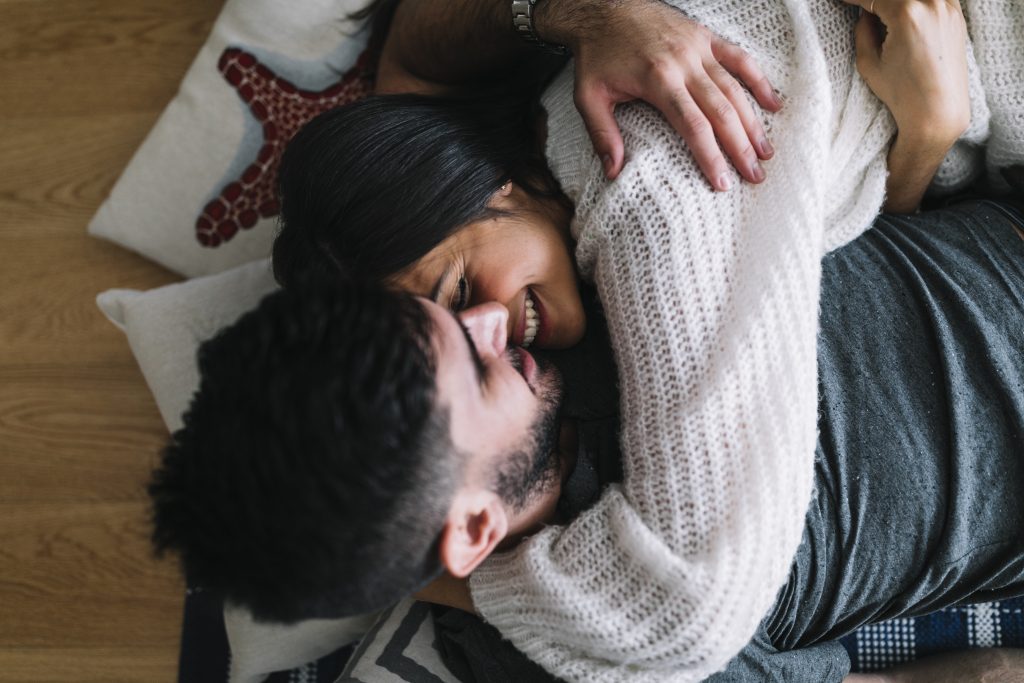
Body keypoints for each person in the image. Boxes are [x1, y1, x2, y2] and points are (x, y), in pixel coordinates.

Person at [151, 197, 1024, 682]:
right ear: (474, 529)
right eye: (477, 364)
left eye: (452, 314)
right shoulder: (611, 647)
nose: (495, 320)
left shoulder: (552, 284)